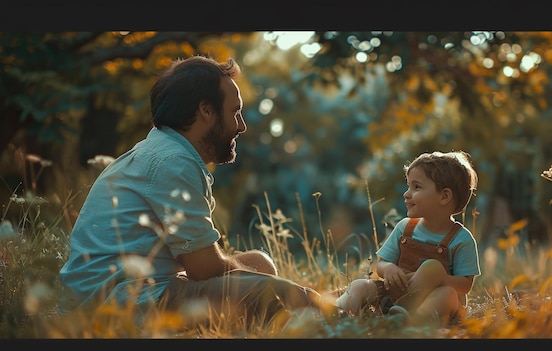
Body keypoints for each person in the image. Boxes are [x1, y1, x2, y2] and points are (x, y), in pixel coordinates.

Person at [58, 55, 326, 329]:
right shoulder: (174, 161)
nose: (241, 126)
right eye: (235, 112)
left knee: (259, 264)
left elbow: (202, 265)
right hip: (118, 305)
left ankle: (305, 308)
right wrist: (259, 284)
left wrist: (249, 275)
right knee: (271, 292)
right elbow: (204, 268)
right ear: (206, 111)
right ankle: (336, 307)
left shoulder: (162, 150)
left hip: (131, 290)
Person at [335, 150, 481, 327]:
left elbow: (465, 285)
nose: (407, 194)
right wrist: (388, 269)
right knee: (360, 285)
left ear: (444, 196)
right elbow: (381, 264)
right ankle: (334, 311)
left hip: (435, 299)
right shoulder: (405, 227)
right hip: (395, 296)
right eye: (408, 186)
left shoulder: (461, 239)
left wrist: (440, 277)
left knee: (445, 291)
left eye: (416, 187)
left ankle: (411, 320)